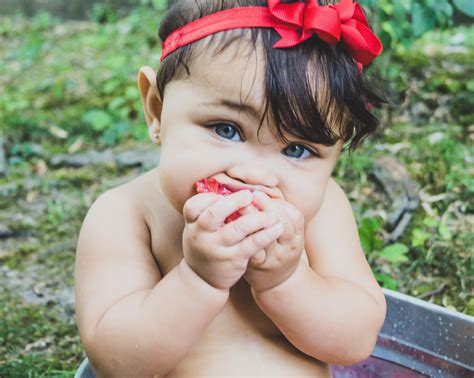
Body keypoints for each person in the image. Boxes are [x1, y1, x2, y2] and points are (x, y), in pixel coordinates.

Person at [74, 0, 387, 376]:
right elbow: (116, 362)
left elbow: (355, 341)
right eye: (227, 129)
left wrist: (287, 282)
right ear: (157, 109)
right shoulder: (126, 215)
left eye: (298, 150)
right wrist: (197, 279)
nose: (254, 175)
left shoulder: (322, 211)